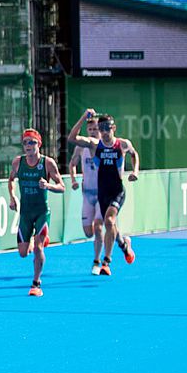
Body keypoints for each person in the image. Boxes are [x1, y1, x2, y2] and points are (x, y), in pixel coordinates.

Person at [67, 109, 139, 276]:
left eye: (107, 128)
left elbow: (134, 155)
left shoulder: (122, 144)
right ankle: (123, 243)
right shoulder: (94, 145)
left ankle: (106, 261)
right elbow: (72, 139)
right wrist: (83, 117)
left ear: (114, 128)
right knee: (105, 225)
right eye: (102, 129)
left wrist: (135, 171)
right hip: (102, 192)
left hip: (117, 191)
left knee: (108, 220)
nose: (104, 132)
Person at [7, 129, 65, 297]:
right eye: (25, 143)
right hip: (25, 212)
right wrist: (12, 198)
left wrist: (48, 186)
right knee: (23, 253)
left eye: (32, 142)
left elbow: (62, 187)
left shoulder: (47, 163)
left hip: (42, 212)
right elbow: (11, 180)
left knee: (39, 248)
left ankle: (36, 283)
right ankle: (34, 240)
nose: (28, 146)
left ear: (39, 144)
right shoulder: (18, 162)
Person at [68, 114, 104, 274]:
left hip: (103, 193)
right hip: (87, 193)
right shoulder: (81, 146)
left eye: (96, 129)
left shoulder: (104, 145)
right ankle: (119, 238)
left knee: (98, 227)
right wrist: (74, 179)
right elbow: (73, 164)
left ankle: (97, 262)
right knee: (88, 232)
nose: (93, 132)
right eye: (90, 129)